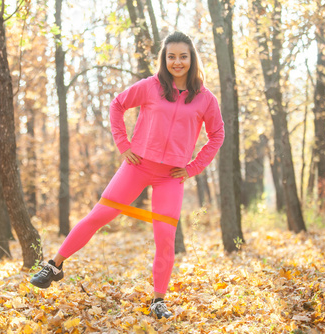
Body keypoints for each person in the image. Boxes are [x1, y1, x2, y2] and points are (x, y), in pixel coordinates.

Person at [30, 31, 225, 319]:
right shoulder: (150, 86)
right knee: (97, 216)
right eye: (171, 56)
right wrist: (123, 144)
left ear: (192, 58)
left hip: (170, 176)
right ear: (164, 59)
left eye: (183, 56)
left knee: (165, 236)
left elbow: (217, 135)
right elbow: (117, 105)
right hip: (137, 166)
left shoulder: (205, 99)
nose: (177, 62)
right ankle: (54, 266)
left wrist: (193, 167)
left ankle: (158, 300)